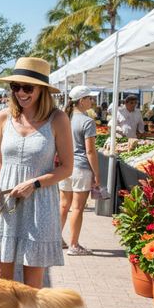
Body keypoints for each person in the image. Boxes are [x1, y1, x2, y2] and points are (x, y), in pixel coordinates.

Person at [0, 57, 73, 308]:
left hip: (39, 205)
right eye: (16, 86)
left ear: (42, 90)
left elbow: (67, 168)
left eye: (27, 87)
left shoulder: (58, 119)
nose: (21, 92)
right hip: (5, 205)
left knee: (32, 284)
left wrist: (34, 182)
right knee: (1, 281)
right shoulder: (4, 115)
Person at [59, 86, 101, 255]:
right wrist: (97, 173)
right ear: (81, 100)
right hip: (81, 167)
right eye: (90, 98)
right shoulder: (87, 122)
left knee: (63, 205)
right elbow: (90, 151)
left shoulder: (65, 119)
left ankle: (55, 240)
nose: (92, 101)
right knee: (77, 208)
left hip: (65, 167)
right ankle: (74, 246)